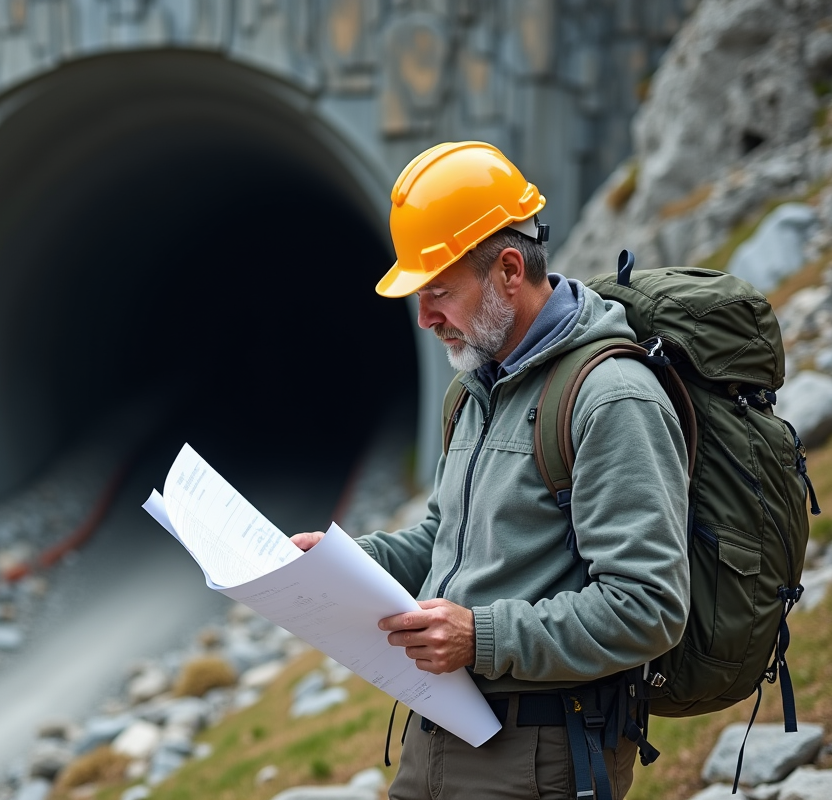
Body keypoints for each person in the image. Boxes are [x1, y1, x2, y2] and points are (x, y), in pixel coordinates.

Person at [290, 141, 690, 800]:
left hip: (541, 755)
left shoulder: (611, 396)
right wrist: (337, 562)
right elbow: (443, 538)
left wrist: (480, 637)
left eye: (439, 292)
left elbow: (647, 608)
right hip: (437, 735)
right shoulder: (475, 388)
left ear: (508, 269)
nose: (424, 320)